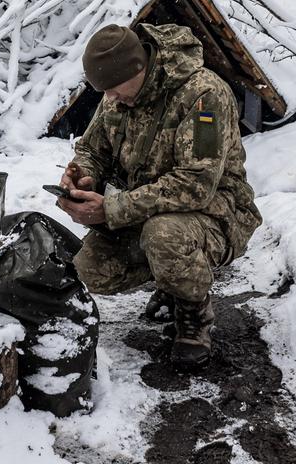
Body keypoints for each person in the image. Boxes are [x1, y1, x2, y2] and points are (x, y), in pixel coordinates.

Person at [55, 22, 262, 368]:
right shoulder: (119, 93)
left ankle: (193, 316)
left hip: (217, 213)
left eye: (115, 89)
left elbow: (195, 184)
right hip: (148, 210)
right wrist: (82, 174)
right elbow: (93, 148)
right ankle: (171, 278)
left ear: (140, 68)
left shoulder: (203, 96)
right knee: (92, 269)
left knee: (164, 237)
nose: (110, 99)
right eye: (104, 91)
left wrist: (113, 209)